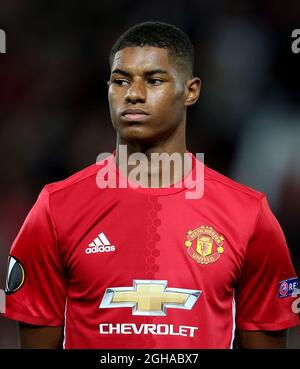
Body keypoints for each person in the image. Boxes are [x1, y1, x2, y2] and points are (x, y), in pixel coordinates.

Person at [1, 21, 299, 349]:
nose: (133, 94)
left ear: (191, 91)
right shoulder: (56, 209)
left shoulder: (248, 216)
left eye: (154, 80)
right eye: (120, 81)